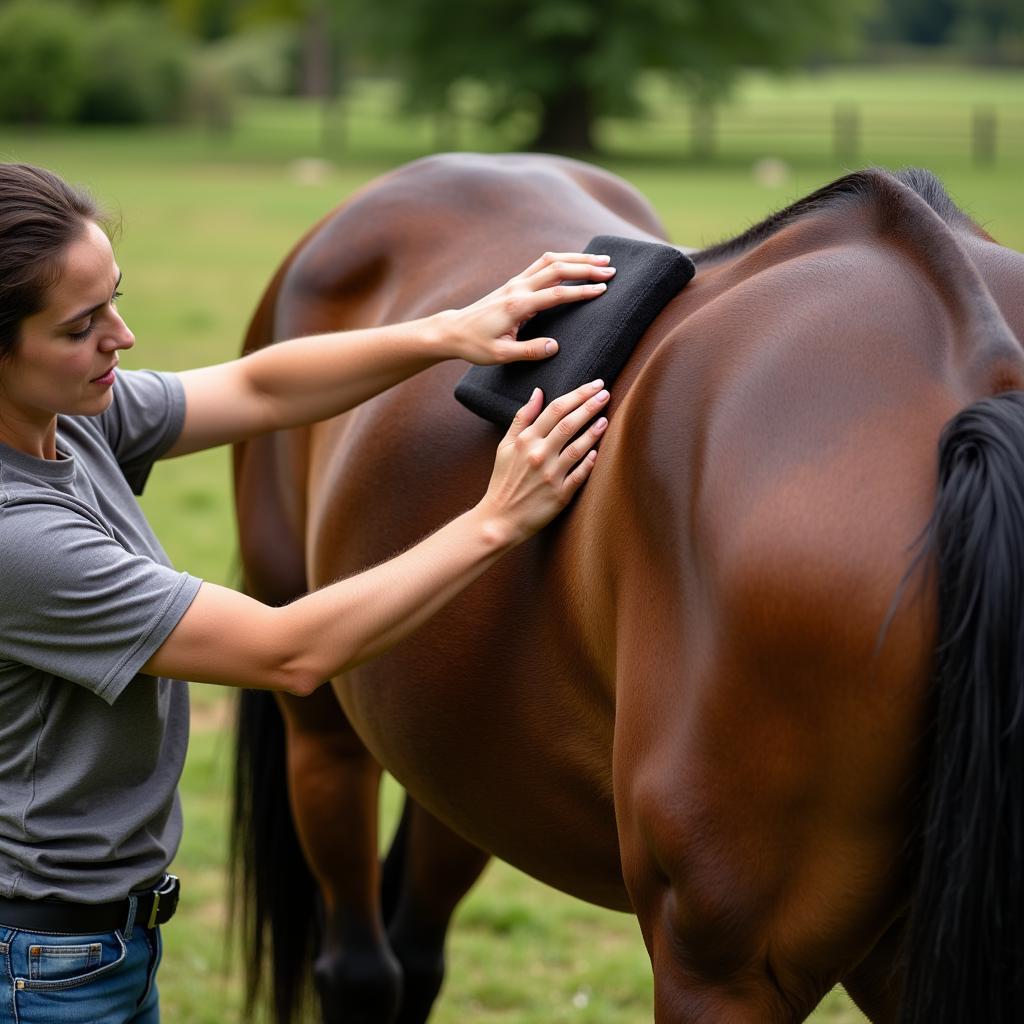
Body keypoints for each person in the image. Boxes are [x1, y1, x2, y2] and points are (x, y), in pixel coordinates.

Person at [0, 162, 615, 1024]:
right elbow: (287, 652)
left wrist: (451, 332)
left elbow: (256, 386)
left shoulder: (68, 419)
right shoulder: (16, 537)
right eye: (79, 327)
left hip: (92, 946)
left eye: (115, 299)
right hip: (43, 967)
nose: (123, 337)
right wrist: (497, 519)